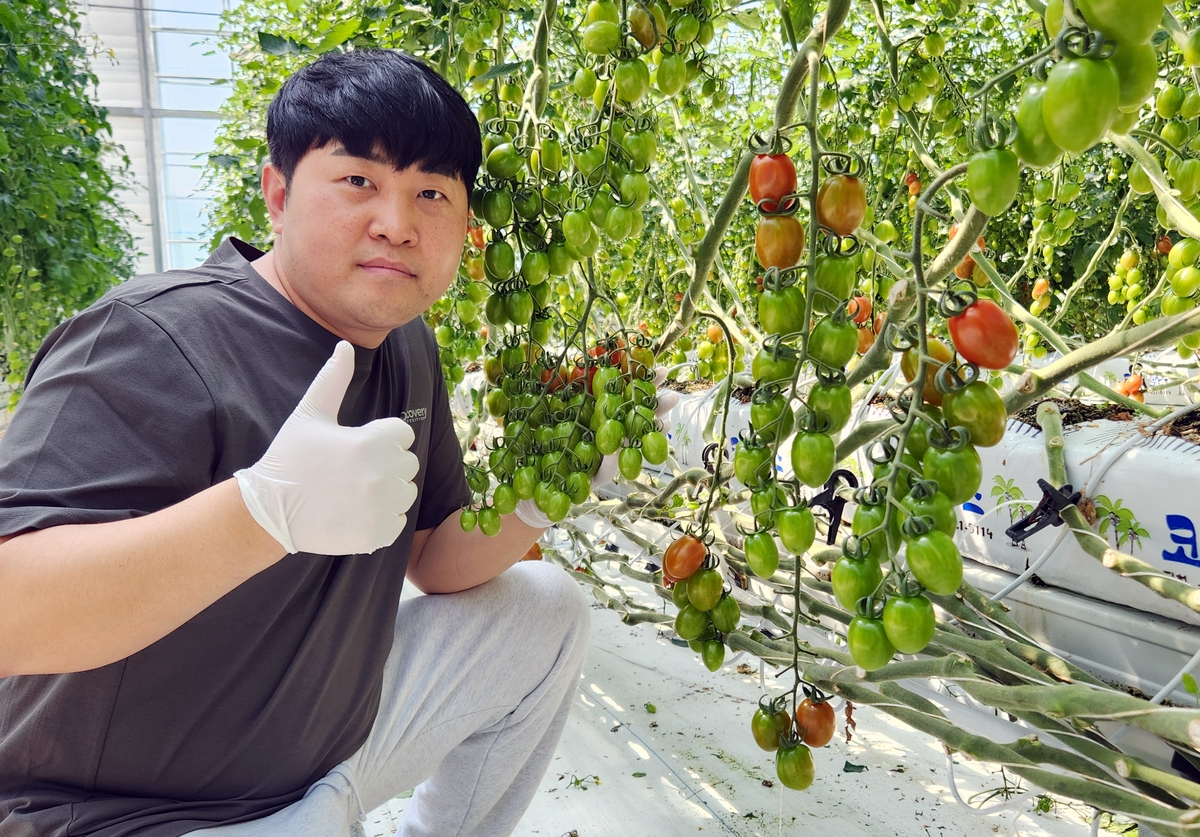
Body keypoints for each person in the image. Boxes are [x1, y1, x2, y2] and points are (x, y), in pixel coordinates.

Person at [0, 49, 592, 837]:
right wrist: (259, 515)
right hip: (132, 813)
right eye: (359, 181)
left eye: (431, 193)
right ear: (277, 194)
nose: (398, 222)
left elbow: (435, 557)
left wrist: (552, 490)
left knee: (541, 610)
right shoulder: (153, 339)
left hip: (323, 766)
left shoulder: (408, 346)